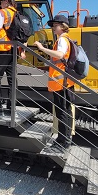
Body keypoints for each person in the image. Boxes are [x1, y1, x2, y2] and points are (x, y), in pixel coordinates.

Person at [33, 14, 75, 150]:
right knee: (65, 111)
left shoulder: (62, 39)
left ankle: (63, 143)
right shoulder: (67, 39)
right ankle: (64, 139)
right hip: (65, 82)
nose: (53, 28)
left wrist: (42, 48)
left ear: (62, 26)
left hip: (61, 83)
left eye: (55, 25)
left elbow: (60, 55)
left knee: (62, 111)